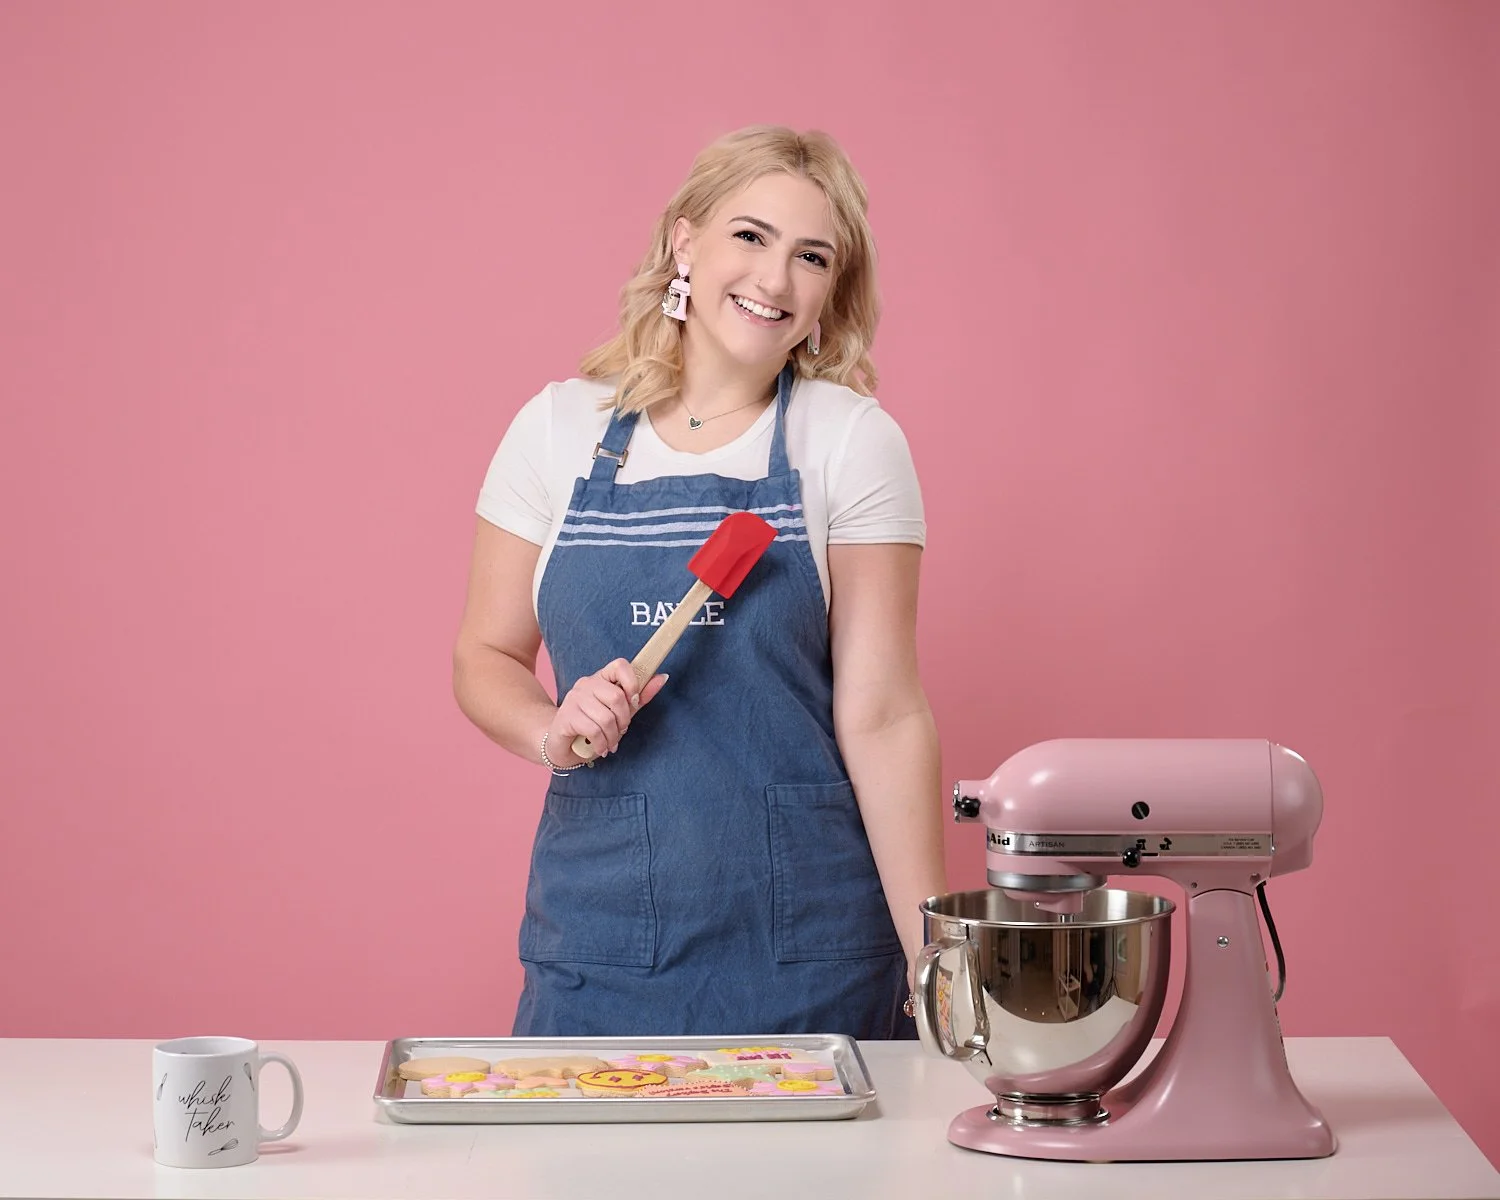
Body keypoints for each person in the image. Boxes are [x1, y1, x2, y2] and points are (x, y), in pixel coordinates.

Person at [452, 125, 947, 1039]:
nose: (774, 280)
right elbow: (484, 655)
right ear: (686, 241)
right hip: (600, 936)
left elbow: (883, 713)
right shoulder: (557, 428)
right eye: (750, 237)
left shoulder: (848, 439)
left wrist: (938, 960)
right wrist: (550, 728)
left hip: (812, 943)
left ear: (832, 288)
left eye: (811, 256)